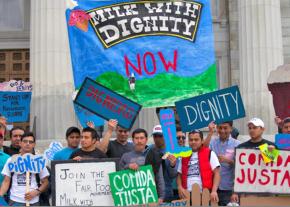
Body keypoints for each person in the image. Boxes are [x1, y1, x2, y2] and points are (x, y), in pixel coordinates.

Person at [0, 132, 49, 206]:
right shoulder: (12, 160)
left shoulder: (38, 161)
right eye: (25, 141)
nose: (28, 144)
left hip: (34, 201)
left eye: (31, 142)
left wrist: (36, 192)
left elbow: (45, 182)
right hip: (15, 201)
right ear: (20, 143)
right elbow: (6, 181)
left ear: (34, 144)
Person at [119, 128, 165, 203]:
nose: (139, 141)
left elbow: (159, 177)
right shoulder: (125, 156)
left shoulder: (154, 155)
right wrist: (128, 166)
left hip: (150, 197)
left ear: (146, 139)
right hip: (131, 199)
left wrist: (161, 197)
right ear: (133, 140)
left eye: (141, 138)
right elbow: (119, 177)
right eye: (136, 138)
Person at [177, 130, 220, 203]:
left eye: (196, 140)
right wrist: (179, 187)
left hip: (204, 194)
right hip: (186, 195)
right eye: (191, 140)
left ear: (202, 141)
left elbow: (217, 173)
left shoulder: (209, 153)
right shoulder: (184, 154)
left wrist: (214, 191)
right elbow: (179, 175)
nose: (193, 142)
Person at [208, 121, 241, 206]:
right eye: (220, 128)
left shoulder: (237, 144)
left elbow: (241, 168)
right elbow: (204, 155)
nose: (222, 131)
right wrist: (210, 132)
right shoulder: (212, 143)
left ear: (231, 128)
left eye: (225, 128)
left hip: (229, 189)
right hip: (212, 188)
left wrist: (229, 161)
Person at [147, 125, 178, 202]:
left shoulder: (172, 152)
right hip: (150, 192)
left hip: (167, 192)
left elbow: (173, 175)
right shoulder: (148, 149)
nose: (157, 139)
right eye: (155, 136)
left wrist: (173, 165)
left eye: (160, 136)